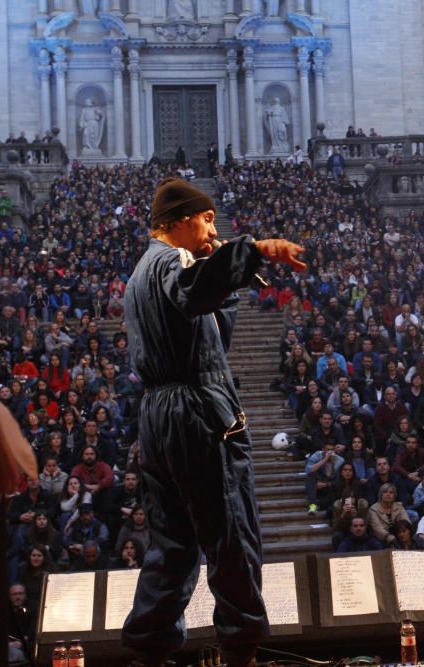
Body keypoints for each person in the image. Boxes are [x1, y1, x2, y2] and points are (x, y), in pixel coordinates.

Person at [120, 177, 305, 667]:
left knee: (172, 545)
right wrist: (252, 251)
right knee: (231, 534)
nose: (212, 228)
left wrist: (227, 277)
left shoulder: (142, 271)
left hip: (159, 416)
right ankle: (241, 651)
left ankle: (149, 652)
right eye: (206, 219)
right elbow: (192, 291)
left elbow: (208, 333)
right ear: (180, 220)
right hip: (198, 411)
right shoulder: (173, 262)